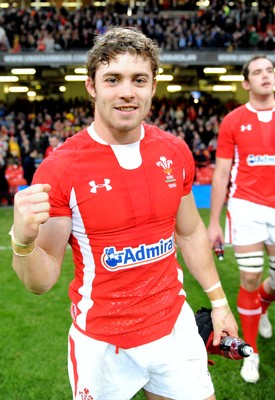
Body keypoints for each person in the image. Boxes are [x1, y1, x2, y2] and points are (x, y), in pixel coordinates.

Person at [11, 27, 238, 400]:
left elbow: (191, 232)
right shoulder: (61, 168)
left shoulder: (175, 151)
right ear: (91, 86)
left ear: (152, 86)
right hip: (102, 346)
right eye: (113, 79)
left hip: (173, 329)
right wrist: (22, 242)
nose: (127, 92)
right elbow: (42, 280)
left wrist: (219, 304)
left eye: (139, 79)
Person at [208, 54, 275, 385]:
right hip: (247, 206)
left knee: (274, 282)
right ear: (246, 83)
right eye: (258, 72)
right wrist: (214, 222)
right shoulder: (233, 120)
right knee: (249, 278)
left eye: (270, 70)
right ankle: (253, 355)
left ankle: (261, 305)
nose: (266, 76)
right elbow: (221, 173)